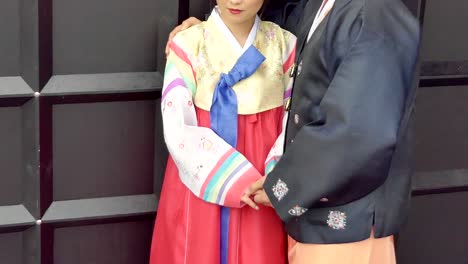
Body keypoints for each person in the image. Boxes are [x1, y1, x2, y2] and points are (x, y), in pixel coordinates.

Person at [168, 0, 421, 263]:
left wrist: (283, 184)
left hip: (346, 225)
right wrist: (216, 31)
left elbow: (360, 133)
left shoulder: (376, 13)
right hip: (306, 215)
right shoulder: (319, 5)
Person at [150, 0, 296, 263]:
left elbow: (293, 118)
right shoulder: (188, 44)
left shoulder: (285, 46)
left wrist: (275, 175)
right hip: (202, 177)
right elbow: (177, 125)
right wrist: (231, 179)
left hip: (260, 182)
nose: (235, 0)